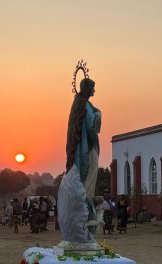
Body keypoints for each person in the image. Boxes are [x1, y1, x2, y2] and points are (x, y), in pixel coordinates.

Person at [58, 70, 102, 244]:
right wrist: (98, 113)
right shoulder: (84, 104)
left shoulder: (78, 103)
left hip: (79, 150)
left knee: (86, 181)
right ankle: (86, 211)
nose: (95, 91)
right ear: (87, 88)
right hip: (85, 151)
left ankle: (86, 213)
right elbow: (92, 129)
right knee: (88, 178)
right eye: (94, 88)